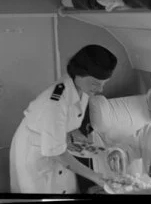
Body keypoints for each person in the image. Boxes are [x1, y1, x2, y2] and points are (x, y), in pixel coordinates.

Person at [10, 44, 118, 193]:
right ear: (79, 73)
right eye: (95, 83)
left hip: (56, 144)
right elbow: (57, 153)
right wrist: (97, 177)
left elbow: (70, 122)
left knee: (64, 186)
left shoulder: (82, 88)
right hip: (36, 150)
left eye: (104, 84)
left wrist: (83, 139)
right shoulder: (55, 103)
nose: (100, 90)